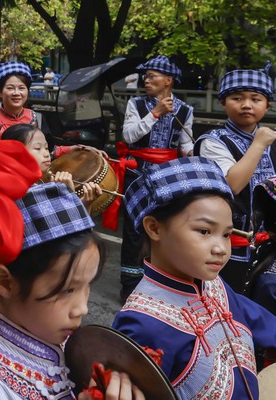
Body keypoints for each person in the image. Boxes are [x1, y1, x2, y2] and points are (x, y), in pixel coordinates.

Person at [0, 181, 143, 400]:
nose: (82, 309)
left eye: (87, 286)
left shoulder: (50, 335)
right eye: (67, 290)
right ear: (4, 282)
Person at [113, 156, 276, 399]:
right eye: (204, 231)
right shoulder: (142, 323)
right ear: (154, 228)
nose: (221, 248)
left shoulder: (213, 285)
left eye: (226, 234)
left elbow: (259, 320)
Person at [194, 64, 276, 292]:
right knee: (226, 303)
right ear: (223, 102)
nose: (246, 105)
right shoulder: (213, 141)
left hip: (267, 246)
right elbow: (233, 184)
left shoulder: (272, 140)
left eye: (256, 99)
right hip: (229, 244)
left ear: (267, 104)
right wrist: (258, 144)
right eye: (237, 98)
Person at [118, 55, 193, 301]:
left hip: (168, 177)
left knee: (164, 228)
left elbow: (186, 146)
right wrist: (156, 113)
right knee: (133, 230)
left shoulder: (184, 110)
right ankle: (129, 287)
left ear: (168, 81)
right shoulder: (136, 104)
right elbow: (129, 136)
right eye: (146, 76)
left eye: (152, 76)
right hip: (137, 173)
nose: (146, 80)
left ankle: (158, 283)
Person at [0, 61, 45, 136]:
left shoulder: (37, 119)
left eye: (21, 88)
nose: (16, 93)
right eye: (10, 88)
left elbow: (49, 146)